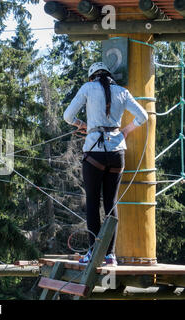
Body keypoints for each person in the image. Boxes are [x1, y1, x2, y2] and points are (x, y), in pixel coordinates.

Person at [63, 62, 148, 266]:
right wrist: (125, 131)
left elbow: (67, 116)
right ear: (109, 76)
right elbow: (143, 117)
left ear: (92, 77)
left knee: (93, 202)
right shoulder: (122, 92)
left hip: (94, 152)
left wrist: (83, 125)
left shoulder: (88, 88)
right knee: (111, 203)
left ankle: (93, 253)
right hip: (118, 151)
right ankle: (110, 256)